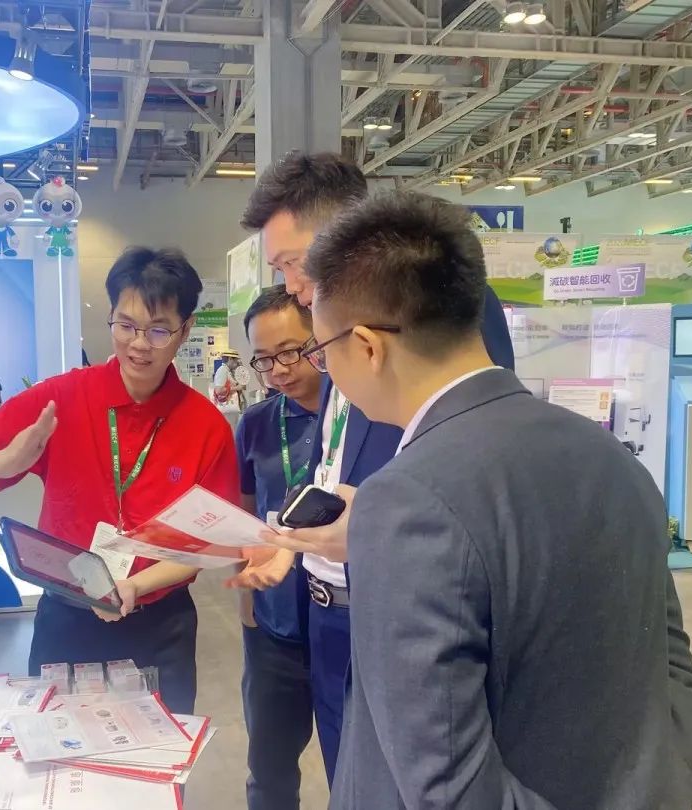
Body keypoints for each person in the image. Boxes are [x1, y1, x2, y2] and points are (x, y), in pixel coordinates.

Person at [303, 191, 692, 810]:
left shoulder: (406, 500)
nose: (324, 369)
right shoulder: (610, 456)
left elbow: (448, 786)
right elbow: (673, 670)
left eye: (320, 350)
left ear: (366, 346)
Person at [239, 151, 516, 786]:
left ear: (343, 231)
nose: (291, 285)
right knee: (350, 778)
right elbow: (331, 455)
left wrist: (379, 523)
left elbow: (475, 446)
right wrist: (290, 540)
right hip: (328, 611)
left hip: (399, 606)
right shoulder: (333, 328)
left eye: (291, 263)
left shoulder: (434, 304)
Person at [0, 247, 240, 714]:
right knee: (60, 746)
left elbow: (206, 544)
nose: (139, 344)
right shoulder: (62, 398)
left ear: (185, 329)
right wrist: (4, 461)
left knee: (160, 751)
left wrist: (135, 586)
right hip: (66, 619)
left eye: (158, 330)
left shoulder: (205, 425)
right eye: (126, 325)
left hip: (160, 624)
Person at [231, 286, 322, 810]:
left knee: (354, 765)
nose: (278, 371)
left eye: (290, 351)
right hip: (274, 626)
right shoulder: (256, 424)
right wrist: (247, 607)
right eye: (263, 359)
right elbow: (245, 514)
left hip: (346, 627)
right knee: (268, 769)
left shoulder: (359, 416)